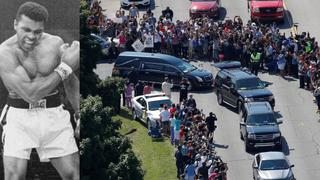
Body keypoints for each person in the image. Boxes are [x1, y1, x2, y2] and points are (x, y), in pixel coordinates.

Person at [0, 2, 80, 180]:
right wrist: (66, 67)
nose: (31, 37)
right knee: (14, 177)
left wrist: (79, 113)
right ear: (15, 24)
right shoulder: (5, 52)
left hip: (54, 114)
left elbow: (70, 81)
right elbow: (30, 94)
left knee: (74, 174)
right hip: (19, 118)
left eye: (37, 32)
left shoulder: (54, 43)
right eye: (25, 30)